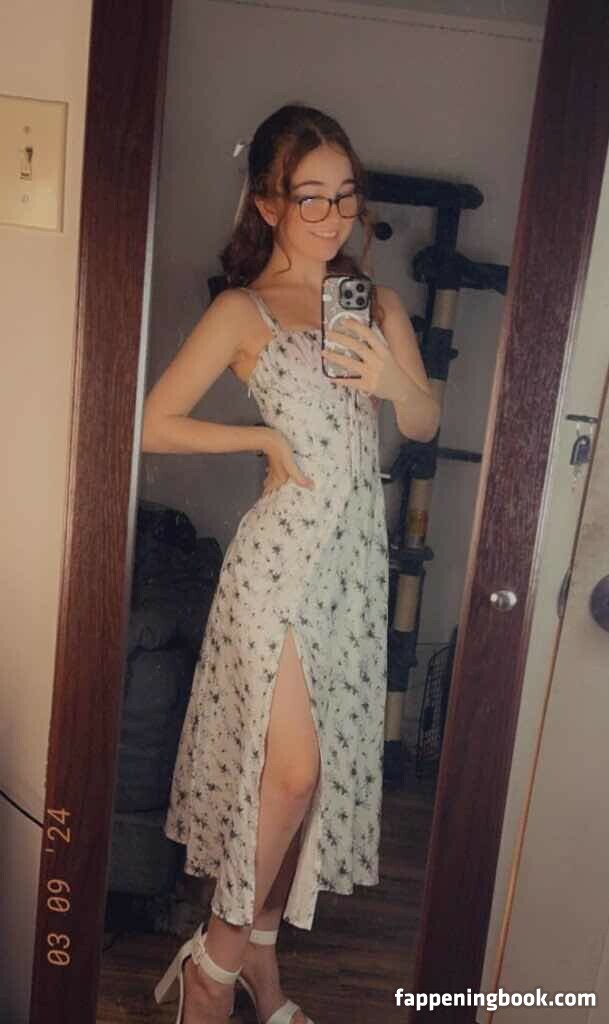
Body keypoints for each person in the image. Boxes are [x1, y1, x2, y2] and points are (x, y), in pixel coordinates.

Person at [144, 102, 440, 1024]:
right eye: (308, 197)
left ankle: (260, 971)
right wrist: (261, 438)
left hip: (353, 570)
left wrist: (391, 380)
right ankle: (214, 962)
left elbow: (422, 420)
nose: (331, 216)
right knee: (291, 773)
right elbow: (153, 424)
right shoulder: (243, 310)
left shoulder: (375, 305)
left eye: (345, 196)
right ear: (268, 204)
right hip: (278, 562)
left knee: (307, 793)